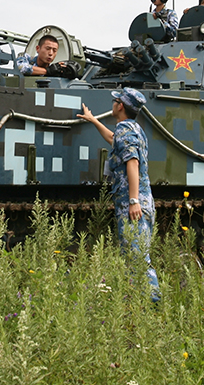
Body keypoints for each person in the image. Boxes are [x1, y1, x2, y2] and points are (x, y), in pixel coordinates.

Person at [77, 88, 161, 304]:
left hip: (133, 203)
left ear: (120, 106)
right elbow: (114, 139)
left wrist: (133, 201)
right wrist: (93, 120)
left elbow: (132, 162)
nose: (113, 104)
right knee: (134, 254)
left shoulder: (125, 129)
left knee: (137, 257)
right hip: (143, 200)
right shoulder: (133, 129)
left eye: (115, 101)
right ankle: (138, 304)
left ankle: (153, 305)